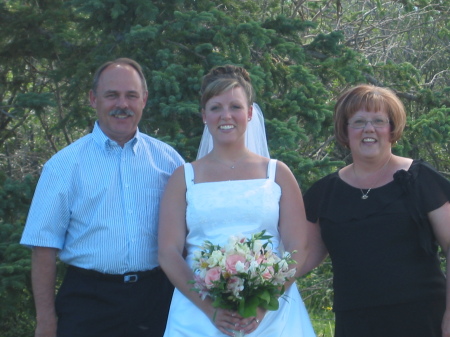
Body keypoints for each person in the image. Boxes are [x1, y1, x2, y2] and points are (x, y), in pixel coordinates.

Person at [20, 58, 184, 337]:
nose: (123, 104)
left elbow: (190, 233)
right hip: (88, 303)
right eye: (112, 95)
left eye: (131, 95)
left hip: (157, 300)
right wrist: (46, 322)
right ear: (93, 99)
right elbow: (43, 248)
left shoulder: (169, 162)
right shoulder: (63, 166)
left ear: (144, 99)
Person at [158, 65, 316, 337]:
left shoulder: (277, 174)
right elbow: (168, 253)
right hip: (198, 316)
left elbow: (296, 247)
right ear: (204, 116)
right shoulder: (183, 178)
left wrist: (264, 303)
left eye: (235, 106)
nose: (226, 115)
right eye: (216, 107)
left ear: (250, 113)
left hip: (272, 317)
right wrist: (210, 310)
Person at [302, 84, 450, 337]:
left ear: (391, 129)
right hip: (355, 323)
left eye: (378, 121)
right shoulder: (324, 193)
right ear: (345, 130)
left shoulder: (421, 180)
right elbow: (303, 257)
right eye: (358, 122)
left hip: (422, 319)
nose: (369, 129)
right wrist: (252, 283)